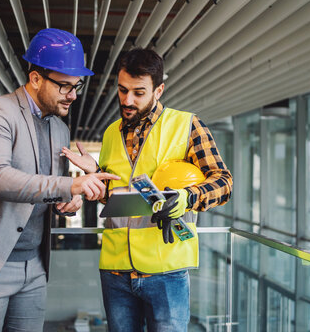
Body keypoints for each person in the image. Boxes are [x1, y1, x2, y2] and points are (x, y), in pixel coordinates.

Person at [0, 28, 119, 332]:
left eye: (77, 86)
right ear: (35, 78)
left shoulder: (59, 129)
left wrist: (67, 202)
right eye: (64, 86)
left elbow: (47, 189)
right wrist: (68, 185)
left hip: (34, 266)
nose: (73, 95)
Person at [63, 48, 233, 331]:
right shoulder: (110, 133)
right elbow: (114, 193)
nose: (127, 100)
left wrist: (188, 197)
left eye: (139, 92)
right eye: (122, 90)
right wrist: (94, 174)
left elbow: (223, 183)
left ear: (159, 90)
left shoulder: (188, 125)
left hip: (166, 270)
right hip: (116, 270)